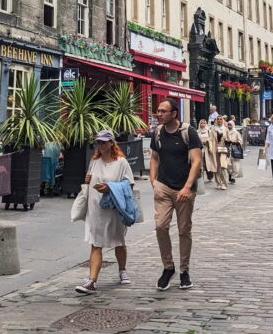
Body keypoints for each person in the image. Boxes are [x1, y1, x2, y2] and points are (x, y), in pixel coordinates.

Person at [149, 97, 202, 291]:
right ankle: (168, 267)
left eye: (163, 111)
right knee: (161, 226)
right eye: (158, 111)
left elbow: (196, 161)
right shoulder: (158, 133)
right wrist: (153, 181)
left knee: (183, 230)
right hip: (163, 186)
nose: (159, 114)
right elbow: (154, 158)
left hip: (184, 188)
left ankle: (184, 271)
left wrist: (187, 187)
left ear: (174, 113)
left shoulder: (188, 132)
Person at [75, 130, 136, 295]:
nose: (100, 145)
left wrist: (111, 187)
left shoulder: (121, 162)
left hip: (114, 208)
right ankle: (92, 281)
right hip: (96, 208)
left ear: (111, 143)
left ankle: (122, 269)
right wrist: (87, 181)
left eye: (103, 142)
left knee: (119, 241)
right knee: (96, 243)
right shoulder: (94, 161)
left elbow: (129, 184)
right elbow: (89, 180)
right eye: (98, 142)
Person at [208, 115, 231, 190]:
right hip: (215, 149)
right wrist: (210, 147)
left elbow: (229, 138)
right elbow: (210, 139)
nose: (219, 120)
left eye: (221, 119)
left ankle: (224, 183)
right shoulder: (213, 129)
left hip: (223, 149)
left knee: (223, 166)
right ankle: (218, 183)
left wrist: (227, 140)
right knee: (216, 167)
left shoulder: (226, 129)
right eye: (218, 119)